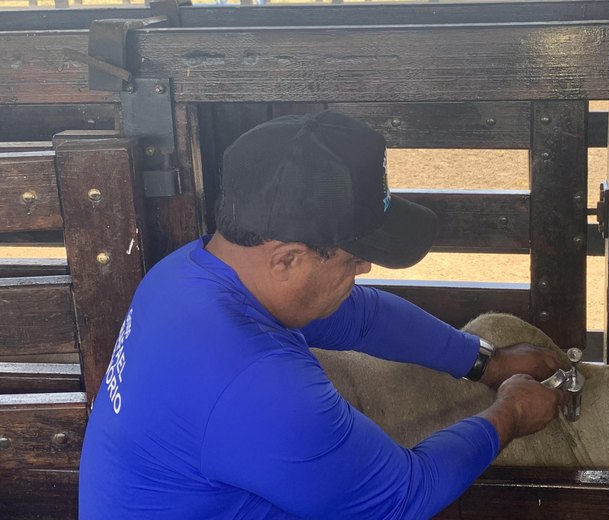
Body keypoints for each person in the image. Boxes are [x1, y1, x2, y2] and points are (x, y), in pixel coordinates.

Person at [78, 110, 564, 519]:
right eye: (352, 259)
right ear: (287, 258)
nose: (366, 268)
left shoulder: (186, 272)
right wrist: (511, 413)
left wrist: (487, 362)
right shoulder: (260, 385)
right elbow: (404, 495)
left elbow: (360, 316)